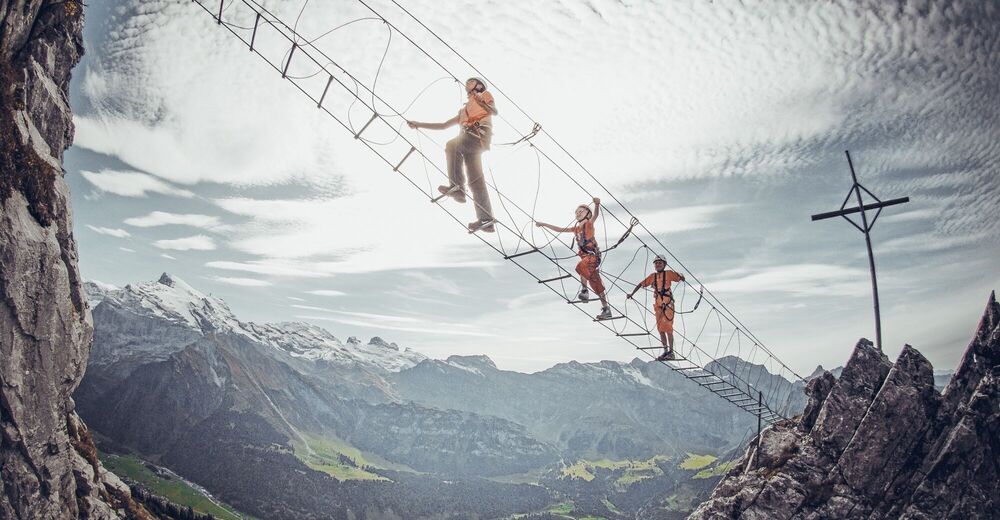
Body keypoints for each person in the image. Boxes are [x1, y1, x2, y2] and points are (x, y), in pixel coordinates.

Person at [407, 77, 498, 233]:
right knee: (476, 181)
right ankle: (486, 220)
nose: (467, 84)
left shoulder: (485, 95)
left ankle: (457, 188)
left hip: (477, 138)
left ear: (479, 86)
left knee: (452, 145)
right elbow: (443, 126)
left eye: (471, 82)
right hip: (472, 144)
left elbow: (493, 111)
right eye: (467, 83)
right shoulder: (463, 111)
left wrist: (480, 100)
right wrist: (419, 124)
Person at [536, 197, 612, 320]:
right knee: (595, 282)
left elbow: (596, 215)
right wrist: (544, 224)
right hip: (586, 258)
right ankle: (606, 309)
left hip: (593, 256)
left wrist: (597, 205)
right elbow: (559, 229)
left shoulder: (589, 224)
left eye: (581, 211)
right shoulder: (575, 229)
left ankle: (584, 291)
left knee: (581, 266)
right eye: (576, 212)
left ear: (588, 214)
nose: (578, 213)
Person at [626, 256, 685, 360]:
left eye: (660, 263)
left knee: (668, 327)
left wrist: (681, 276)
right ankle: (666, 351)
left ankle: (671, 352)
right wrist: (632, 294)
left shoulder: (669, 273)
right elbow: (641, 284)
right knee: (660, 329)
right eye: (656, 263)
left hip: (667, 304)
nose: (657, 265)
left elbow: (679, 277)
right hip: (658, 305)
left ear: (664, 264)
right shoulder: (652, 276)